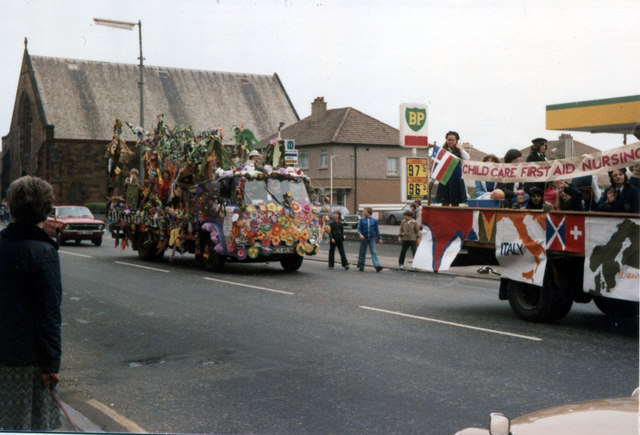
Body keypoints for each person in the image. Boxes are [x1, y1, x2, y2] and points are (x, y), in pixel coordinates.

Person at [0, 176, 62, 431]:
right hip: (28, 360)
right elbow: (48, 314)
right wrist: (51, 364)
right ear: (45, 209)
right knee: (27, 426)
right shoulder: (43, 252)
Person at [435, 131, 470, 206]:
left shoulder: (459, 151)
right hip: (445, 179)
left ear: (456, 141)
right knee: (445, 203)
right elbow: (437, 166)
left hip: (456, 179)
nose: (450, 141)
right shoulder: (442, 151)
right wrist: (432, 181)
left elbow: (467, 158)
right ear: (446, 140)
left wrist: (461, 149)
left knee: (455, 204)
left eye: (452, 140)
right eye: (449, 140)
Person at [356, 207, 383, 272]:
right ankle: (361, 265)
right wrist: (360, 234)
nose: (363, 212)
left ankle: (377, 266)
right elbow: (358, 229)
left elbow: (377, 230)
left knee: (374, 251)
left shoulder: (374, 220)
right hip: (364, 238)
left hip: (371, 238)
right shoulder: (361, 220)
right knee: (362, 252)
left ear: (368, 212)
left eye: (364, 211)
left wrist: (379, 238)